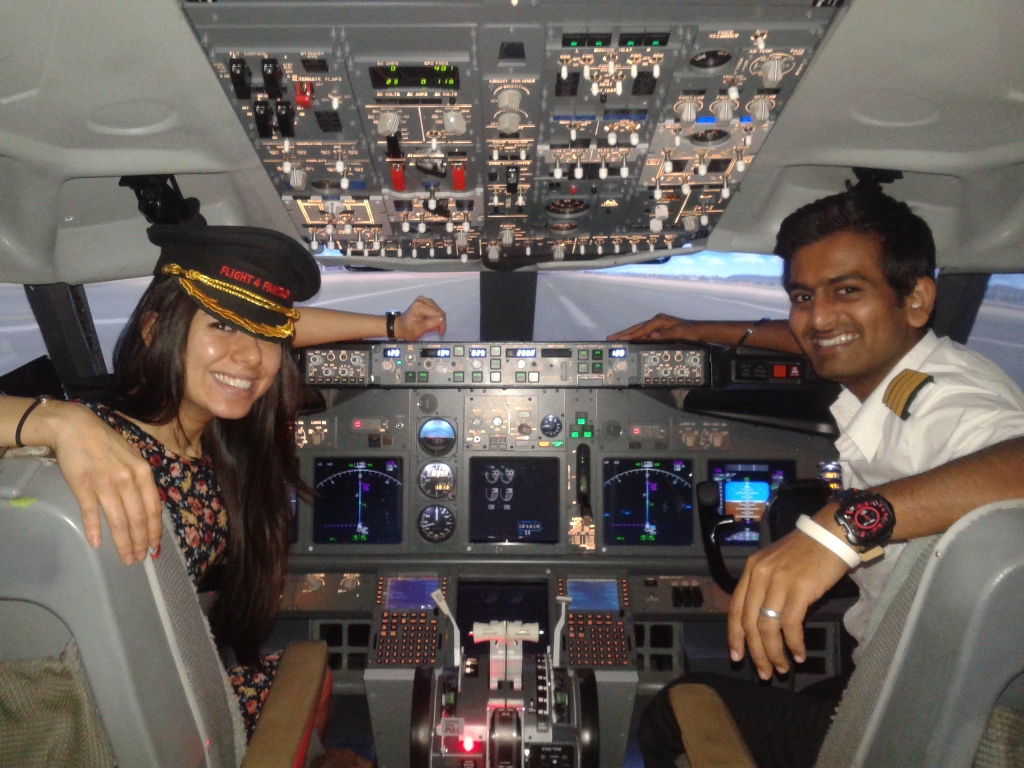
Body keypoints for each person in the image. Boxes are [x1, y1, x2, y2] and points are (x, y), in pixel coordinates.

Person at [613, 183, 1024, 767]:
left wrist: (842, 527)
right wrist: (704, 330)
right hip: (909, 674)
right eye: (803, 296)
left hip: (934, 711)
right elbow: (820, 337)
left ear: (916, 299)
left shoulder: (945, 401)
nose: (819, 318)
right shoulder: (901, 370)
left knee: (676, 706)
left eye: (847, 290)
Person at [0, 223, 447, 740]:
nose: (251, 356)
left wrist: (393, 327)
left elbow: (272, 332)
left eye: (265, 334)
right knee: (310, 673)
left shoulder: (207, 448)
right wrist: (54, 419)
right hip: (127, 718)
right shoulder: (100, 449)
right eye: (222, 325)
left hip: (155, 686)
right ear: (154, 329)